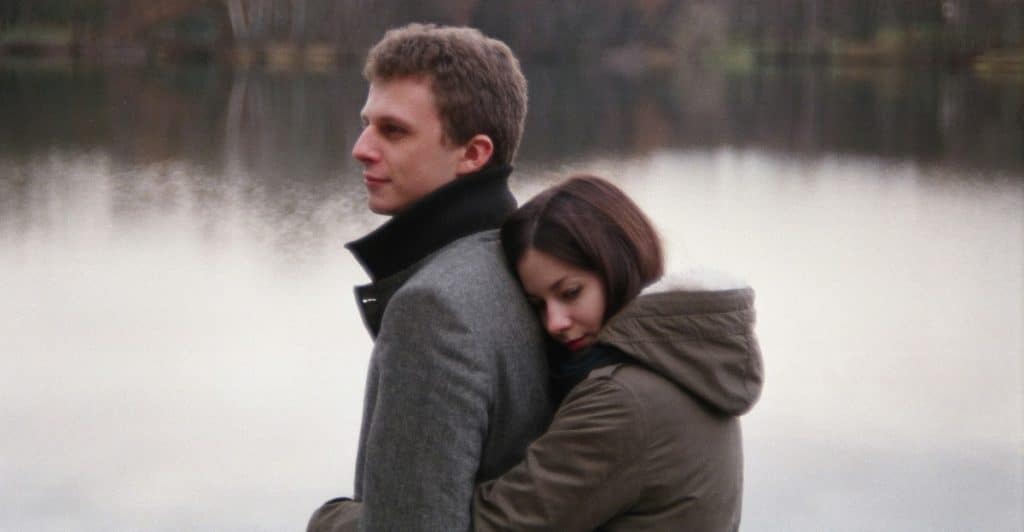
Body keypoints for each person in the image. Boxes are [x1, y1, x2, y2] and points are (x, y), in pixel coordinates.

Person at [307, 24, 551, 532]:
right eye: (366, 123)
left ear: (473, 154)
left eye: (393, 131)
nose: (361, 148)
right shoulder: (532, 269)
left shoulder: (434, 310)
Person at [472, 175, 765, 531]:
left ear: (617, 265)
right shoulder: (684, 365)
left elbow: (494, 525)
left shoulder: (622, 402)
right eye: (537, 305)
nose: (554, 323)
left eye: (570, 293)